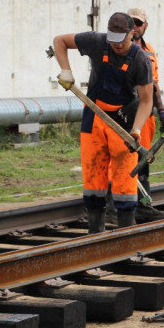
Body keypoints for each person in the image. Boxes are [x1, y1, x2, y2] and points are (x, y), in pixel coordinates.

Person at [53, 12, 153, 232]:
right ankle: (95, 232)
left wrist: (136, 129)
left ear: (132, 34)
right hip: (94, 115)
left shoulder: (140, 60)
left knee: (125, 179)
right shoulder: (97, 41)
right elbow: (59, 41)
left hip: (123, 120)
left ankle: (126, 231)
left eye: (121, 40)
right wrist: (66, 70)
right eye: (112, 40)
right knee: (93, 175)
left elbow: (146, 101)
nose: (116, 45)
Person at [126, 7, 164, 218]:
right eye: (131, 22)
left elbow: (154, 83)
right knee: (125, 160)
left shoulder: (149, 50)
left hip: (146, 114)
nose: (135, 26)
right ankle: (120, 205)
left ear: (145, 26)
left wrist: (161, 110)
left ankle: (142, 205)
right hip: (125, 113)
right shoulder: (118, 47)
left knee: (144, 160)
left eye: (138, 23)